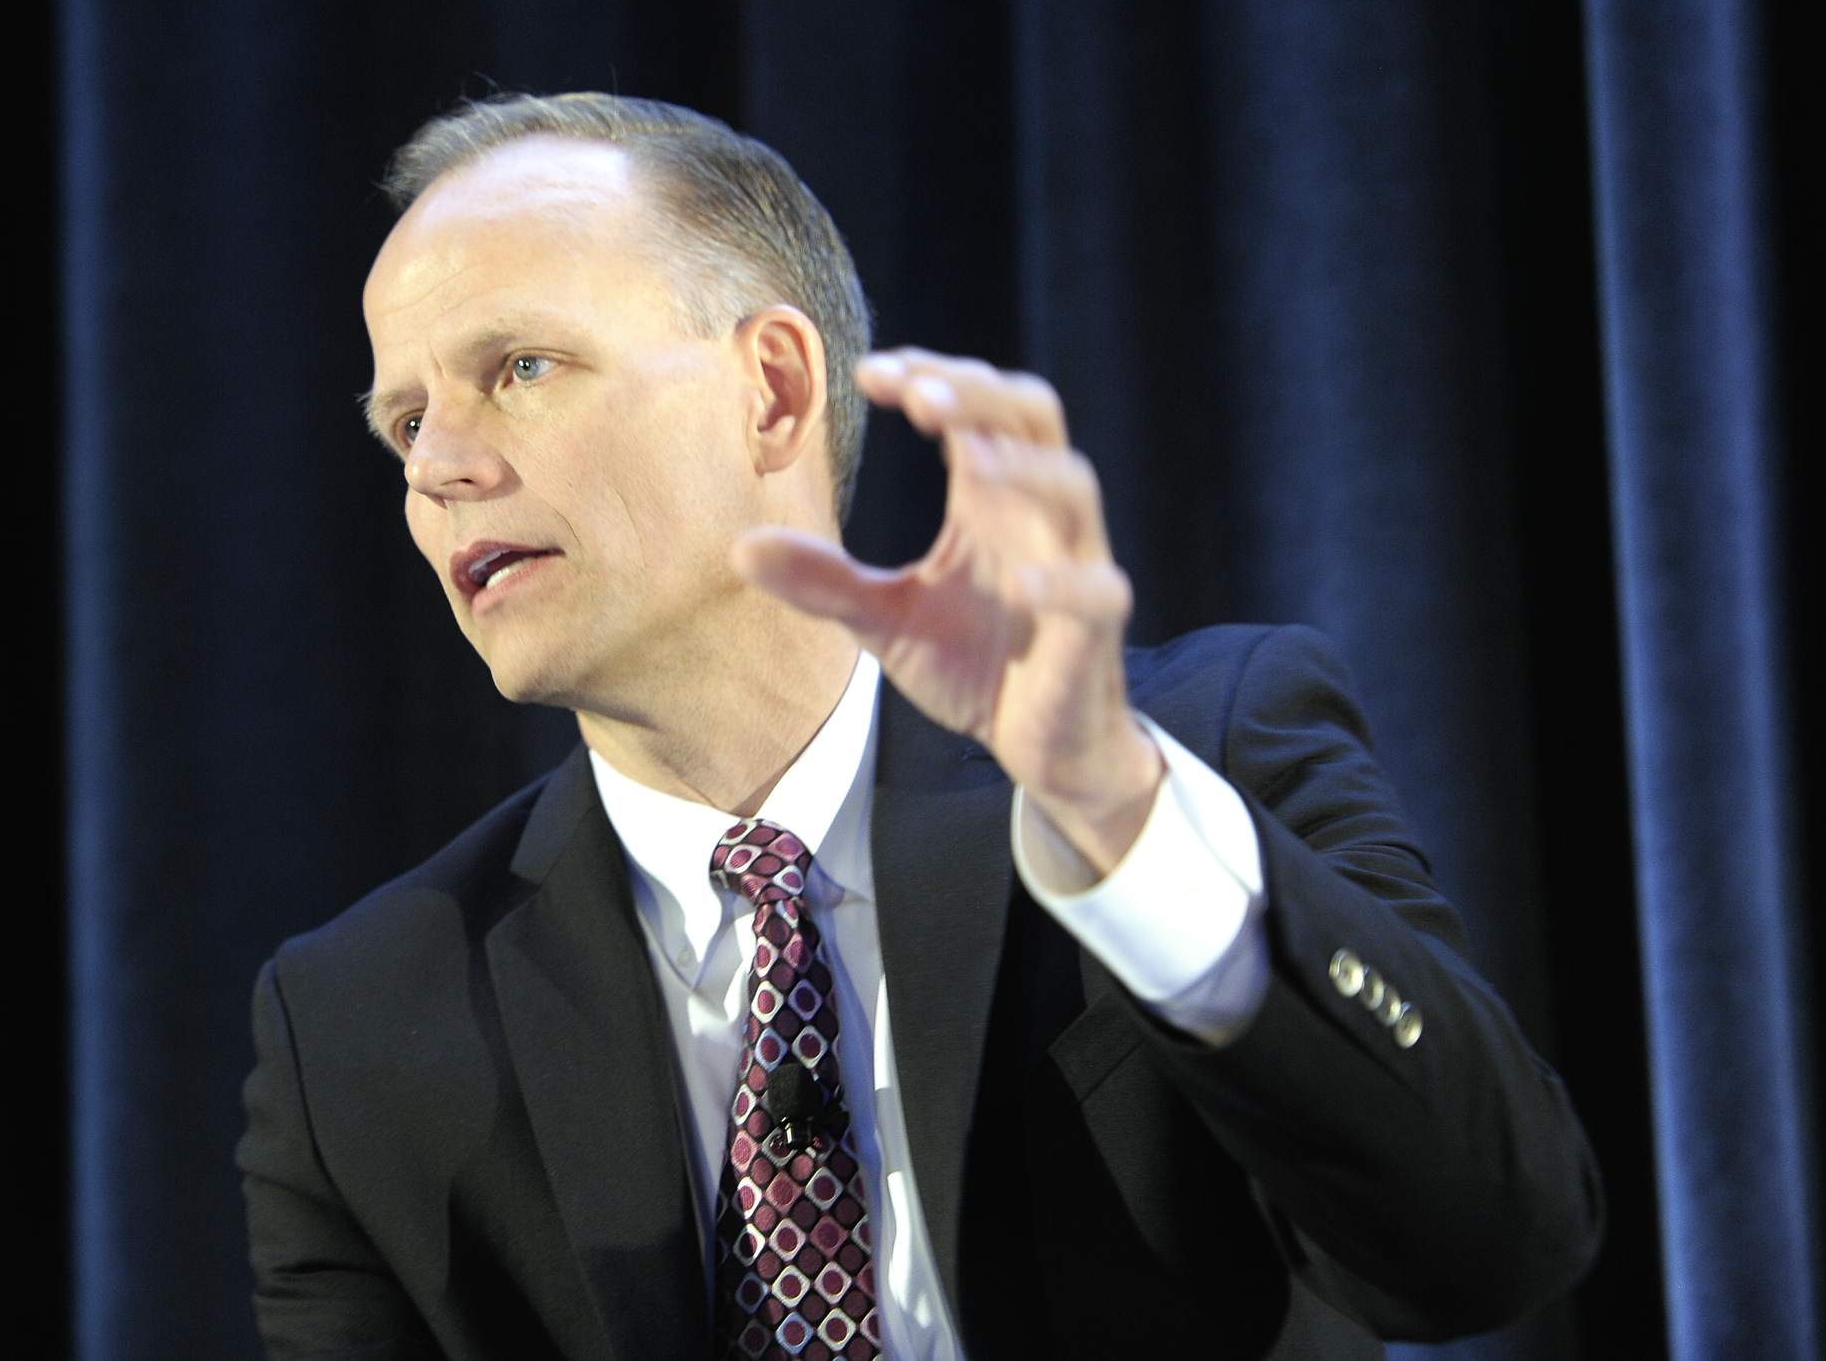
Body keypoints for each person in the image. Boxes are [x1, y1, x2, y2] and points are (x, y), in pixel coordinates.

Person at [237, 93, 1601, 1360]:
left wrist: (1115, 813)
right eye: (404, 420)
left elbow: (1492, 1244)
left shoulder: (1192, 760)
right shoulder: (358, 1027)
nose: (438, 467)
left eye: (520, 367)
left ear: (771, 389)